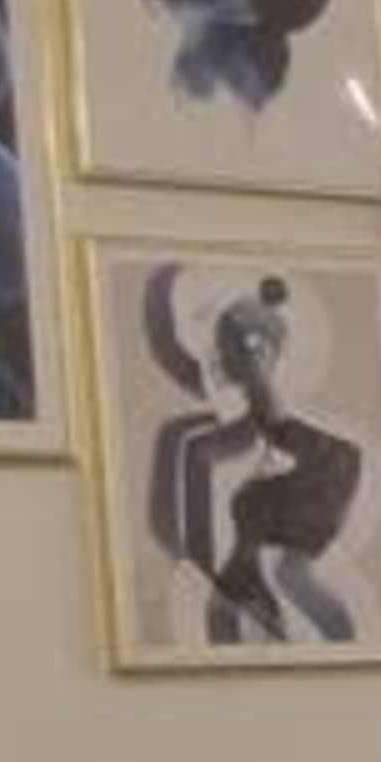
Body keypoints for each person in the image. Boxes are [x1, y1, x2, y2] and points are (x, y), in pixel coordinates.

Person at [142, 265, 365, 644]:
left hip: (275, 590)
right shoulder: (194, 440)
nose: (214, 359)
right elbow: (173, 536)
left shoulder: (326, 455)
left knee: (283, 579)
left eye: (225, 348)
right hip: (239, 594)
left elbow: (276, 424)